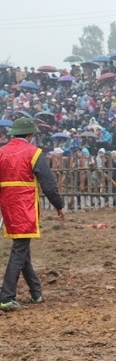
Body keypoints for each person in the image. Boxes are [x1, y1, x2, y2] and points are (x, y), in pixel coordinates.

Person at [0, 118, 65, 311]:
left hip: (7, 203)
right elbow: (49, 184)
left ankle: (36, 293)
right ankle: (6, 296)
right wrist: (59, 205)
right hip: (24, 203)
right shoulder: (33, 153)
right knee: (20, 248)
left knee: (22, 247)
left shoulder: (1, 152)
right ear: (30, 135)